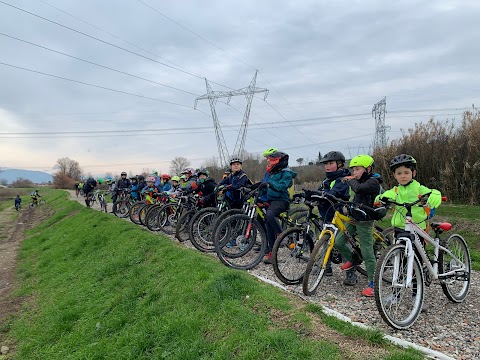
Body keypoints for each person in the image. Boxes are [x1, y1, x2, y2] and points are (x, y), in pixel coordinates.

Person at [334, 154, 380, 297]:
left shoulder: (373, 182)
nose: (354, 173)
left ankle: (373, 284)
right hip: (355, 218)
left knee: (367, 252)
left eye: (358, 169)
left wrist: (350, 180)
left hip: (366, 220)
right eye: (353, 170)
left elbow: (359, 189)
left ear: (368, 169)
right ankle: (354, 259)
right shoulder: (358, 180)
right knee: (339, 241)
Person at [304, 151, 351, 276]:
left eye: (330, 163)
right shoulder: (326, 179)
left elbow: (333, 193)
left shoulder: (342, 180)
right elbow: (320, 192)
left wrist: (320, 195)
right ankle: (326, 267)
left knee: (342, 244)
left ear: (340, 164)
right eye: (326, 164)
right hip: (325, 216)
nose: (327, 166)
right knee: (323, 242)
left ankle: (351, 273)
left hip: (339, 217)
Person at [379, 154, 442, 239]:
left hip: (417, 226)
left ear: (414, 173)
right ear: (394, 175)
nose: (403, 176)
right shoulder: (396, 190)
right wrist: (383, 198)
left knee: (418, 251)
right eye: (399, 173)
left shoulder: (418, 188)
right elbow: (385, 195)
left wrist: (435, 194)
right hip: (400, 226)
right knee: (399, 250)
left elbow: (430, 192)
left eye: (406, 172)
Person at [254, 149, 296, 264]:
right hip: (272, 201)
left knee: (270, 214)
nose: (268, 162)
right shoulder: (273, 173)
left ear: (278, 161)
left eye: (271, 160)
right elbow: (265, 186)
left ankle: (282, 234)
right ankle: (272, 254)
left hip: (282, 201)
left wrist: (269, 184)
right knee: (268, 225)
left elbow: (282, 186)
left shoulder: (286, 173)